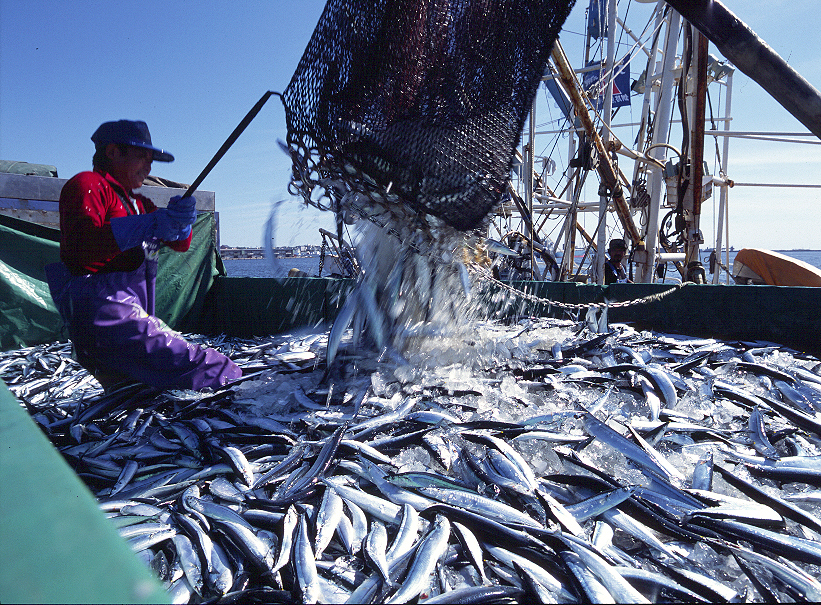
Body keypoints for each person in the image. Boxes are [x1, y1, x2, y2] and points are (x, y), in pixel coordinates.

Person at [45, 120, 242, 392]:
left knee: (134, 393)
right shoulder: (86, 184)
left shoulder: (138, 202)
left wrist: (180, 224)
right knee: (208, 367)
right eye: (142, 156)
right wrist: (149, 224)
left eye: (151, 161)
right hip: (103, 315)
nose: (148, 168)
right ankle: (241, 388)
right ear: (112, 152)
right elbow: (83, 246)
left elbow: (181, 245)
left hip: (130, 311)